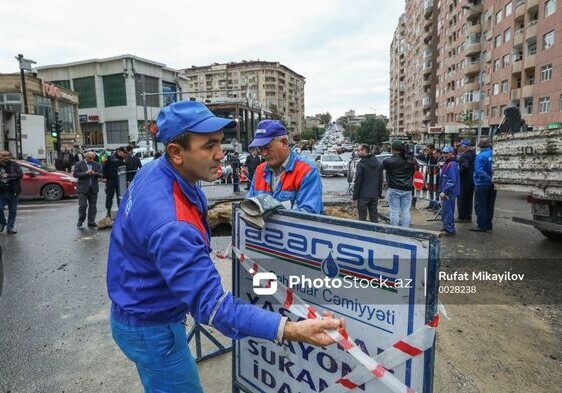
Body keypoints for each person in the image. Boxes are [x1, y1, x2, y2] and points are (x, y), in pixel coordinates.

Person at [106, 101, 343, 392]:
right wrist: (292, 329)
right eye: (209, 146)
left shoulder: (160, 171)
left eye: (220, 142)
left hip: (145, 311)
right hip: (151, 326)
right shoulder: (172, 224)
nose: (221, 155)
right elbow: (215, 308)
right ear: (176, 153)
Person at [247, 120, 323, 213]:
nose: (263, 154)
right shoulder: (260, 170)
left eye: (267, 147)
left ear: (284, 143)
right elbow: (249, 207)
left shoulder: (307, 171)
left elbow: (309, 216)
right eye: (260, 149)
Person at [383, 140, 416, 227]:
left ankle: (395, 230)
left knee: (394, 210)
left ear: (392, 149)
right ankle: (405, 229)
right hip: (407, 188)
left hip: (394, 187)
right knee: (405, 211)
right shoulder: (411, 161)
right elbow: (413, 173)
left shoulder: (388, 161)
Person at [471, 137, 496, 232]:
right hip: (493, 184)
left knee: (480, 205)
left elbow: (479, 171)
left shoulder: (480, 156)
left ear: (480, 146)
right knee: (490, 204)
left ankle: (481, 225)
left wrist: (488, 179)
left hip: (482, 184)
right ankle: (489, 224)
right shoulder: (494, 154)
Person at [352, 144, 383, 223]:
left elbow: (358, 181)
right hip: (374, 195)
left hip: (363, 195)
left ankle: (363, 233)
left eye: (359, 150)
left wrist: (355, 196)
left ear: (364, 151)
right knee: (374, 216)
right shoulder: (378, 163)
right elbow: (380, 180)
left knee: (362, 218)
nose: (357, 152)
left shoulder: (361, 164)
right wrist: (379, 193)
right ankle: (375, 233)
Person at [73, 151, 101, 228]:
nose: (91, 160)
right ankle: (80, 220)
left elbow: (101, 174)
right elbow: (75, 174)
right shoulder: (79, 164)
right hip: (82, 188)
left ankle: (91, 221)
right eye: (90, 158)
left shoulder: (97, 164)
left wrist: (96, 174)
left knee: (93, 206)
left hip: (93, 188)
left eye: (93, 158)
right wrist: (85, 173)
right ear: (86, 157)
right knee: (83, 205)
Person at [438, 146, 460, 237]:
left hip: (449, 192)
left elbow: (451, 180)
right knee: (446, 210)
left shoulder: (452, 164)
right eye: (443, 153)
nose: (445, 155)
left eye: (447, 153)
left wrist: (445, 191)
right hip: (448, 191)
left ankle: (449, 229)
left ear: (451, 153)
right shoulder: (448, 163)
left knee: (448, 211)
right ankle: (447, 227)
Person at [0, 151, 23, 234]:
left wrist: (8, 176)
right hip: (1, 192)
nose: (6, 157)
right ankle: (2, 222)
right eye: (4, 156)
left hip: (13, 191)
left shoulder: (14, 165)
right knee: (0, 208)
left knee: (12, 211)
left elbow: (20, 175)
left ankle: (10, 227)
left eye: (7, 155)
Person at [102, 146, 127, 218]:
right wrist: (104, 177)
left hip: (120, 181)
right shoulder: (111, 158)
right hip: (111, 180)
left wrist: (127, 180)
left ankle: (121, 211)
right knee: (109, 196)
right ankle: (108, 211)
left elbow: (125, 170)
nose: (124, 154)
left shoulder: (123, 159)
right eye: (123, 153)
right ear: (119, 151)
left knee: (121, 196)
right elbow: (104, 167)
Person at [456, 139, 476, 223]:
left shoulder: (464, 156)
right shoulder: (473, 154)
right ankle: (468, 217)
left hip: (464, 181)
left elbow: (465, 166)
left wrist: (458, 172)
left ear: (464, 146)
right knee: (469, 199)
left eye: (460, 146)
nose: (459, 148)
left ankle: (462, 217)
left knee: (461, 199)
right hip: (471, 180)